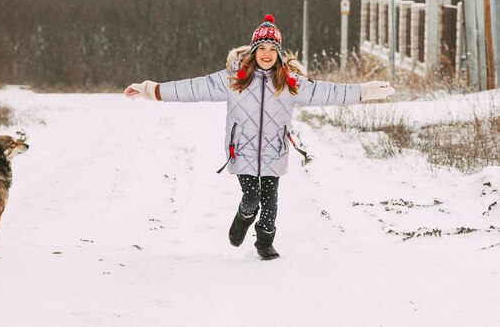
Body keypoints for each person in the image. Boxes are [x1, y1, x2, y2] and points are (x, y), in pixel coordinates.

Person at [124, 14, 395, 260]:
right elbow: (192, 88)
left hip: (274, 151)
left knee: (271, 200)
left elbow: (328, 92)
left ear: (278, 52)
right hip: (241, 150)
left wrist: (365, 91)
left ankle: (265, 242)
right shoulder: (233, 78)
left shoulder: (290, 83)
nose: (266, 54)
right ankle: (243, 216)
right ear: (254, 51)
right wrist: (150, 90)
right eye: (261, 48)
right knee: (252, 197)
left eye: (272, 49)